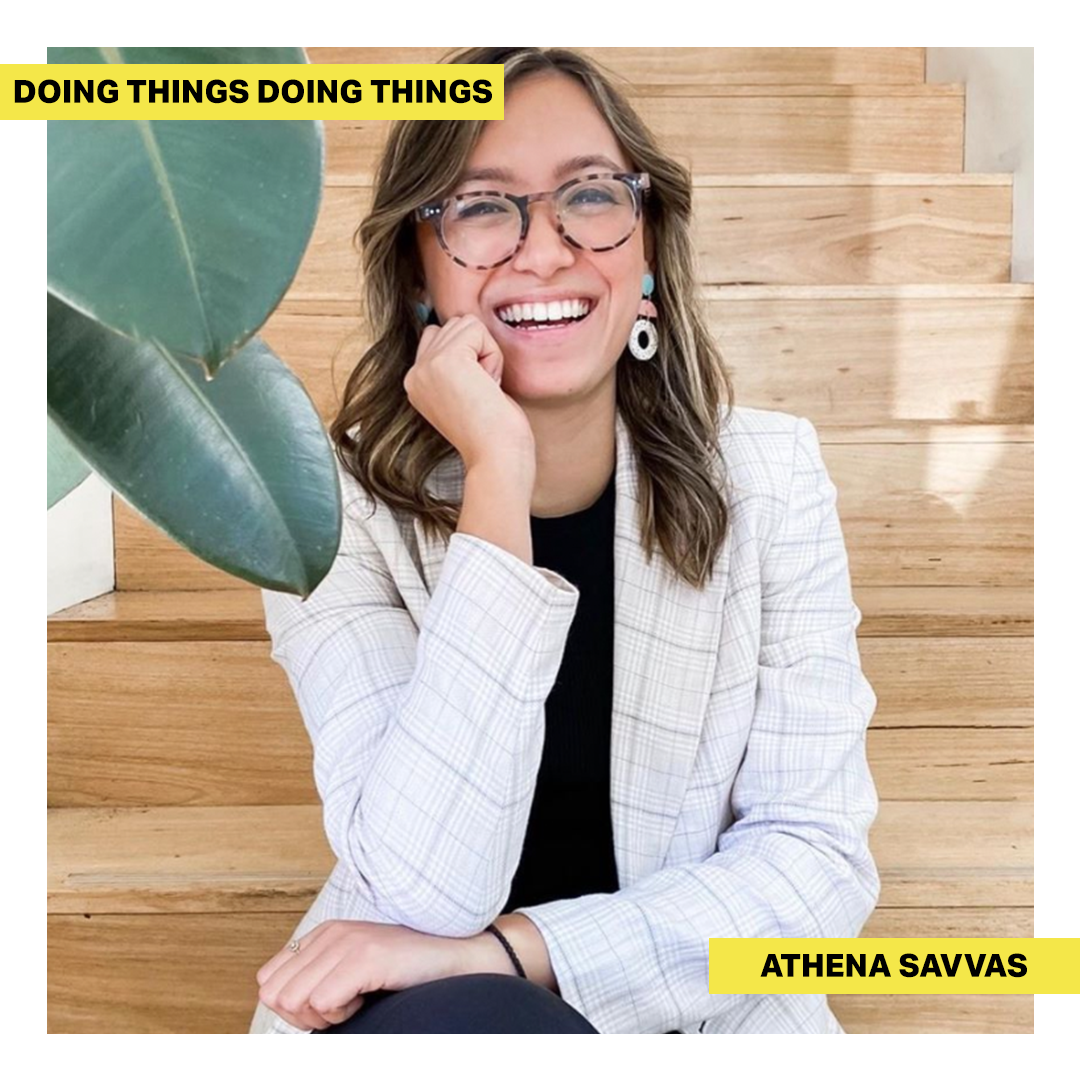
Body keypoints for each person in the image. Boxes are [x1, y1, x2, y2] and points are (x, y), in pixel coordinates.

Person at [249, 46, 880, 1036]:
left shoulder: (773, 479)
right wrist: (499, 475)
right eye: (483, 207)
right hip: (428, 1011)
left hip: (701, 1009)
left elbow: (819, 864)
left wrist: (516, 953)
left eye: (589, 198)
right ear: (420, 273)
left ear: (648, 255)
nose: (543, 251)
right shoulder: (326, 509)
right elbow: (422, 888)